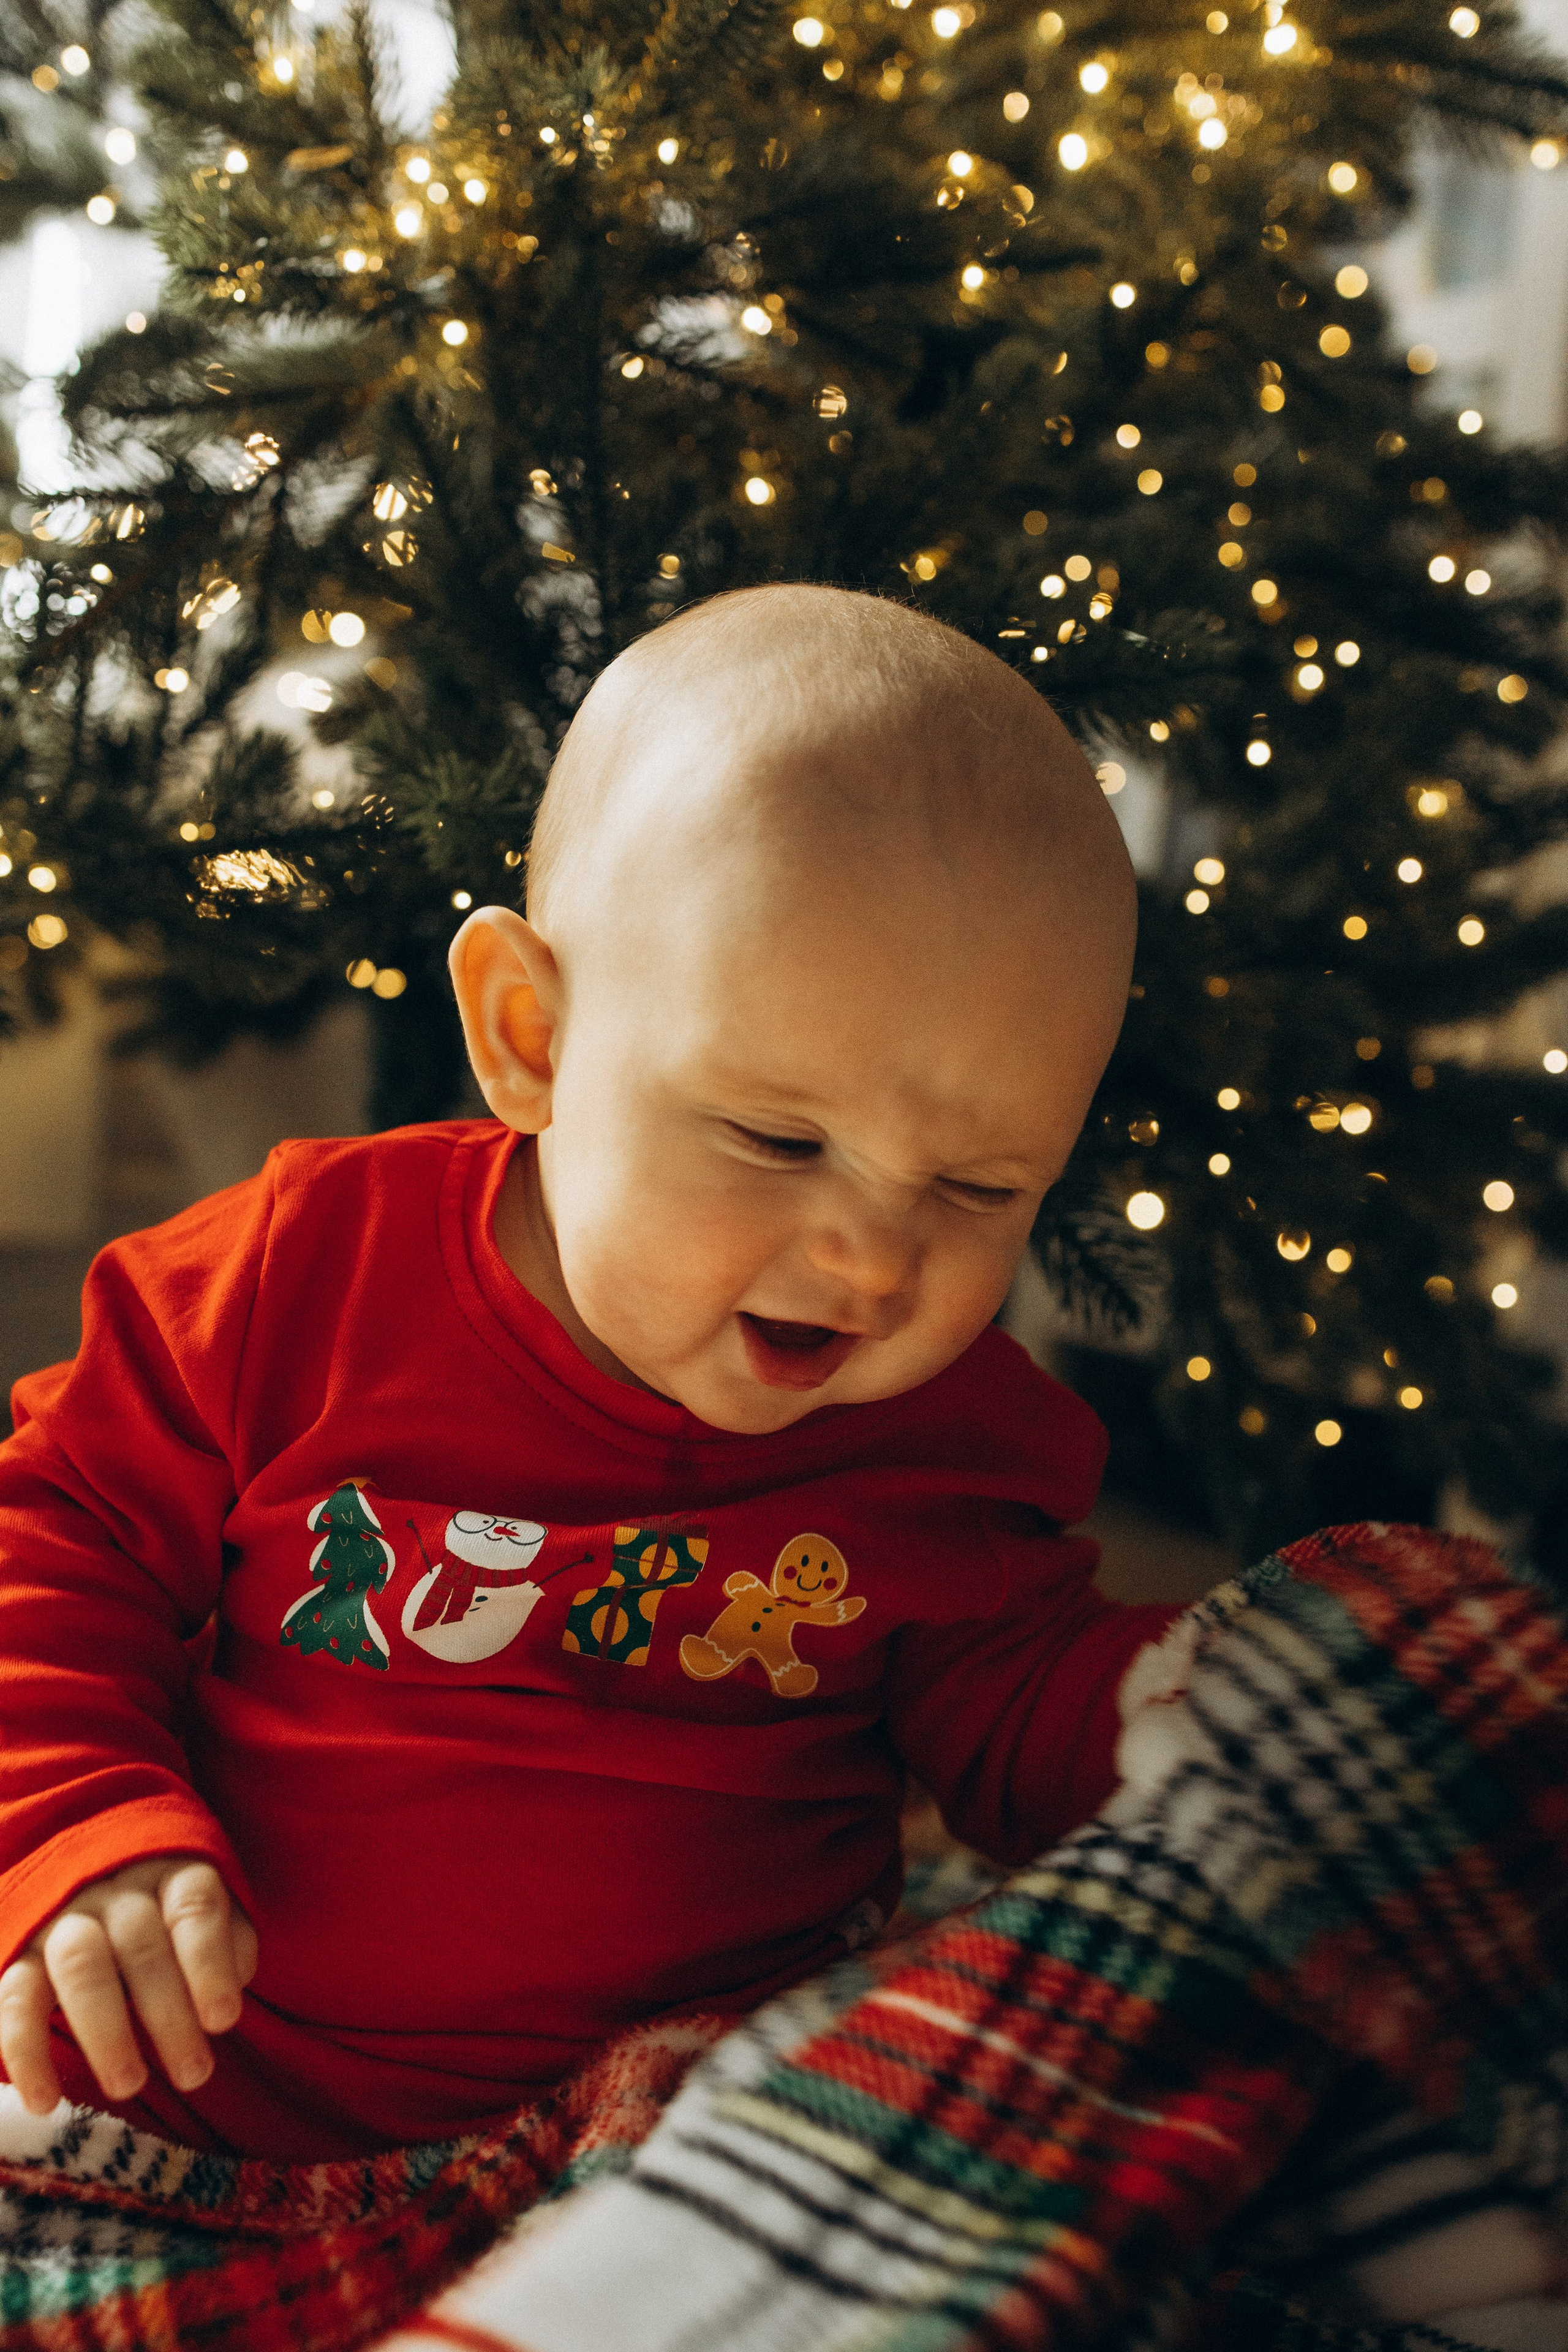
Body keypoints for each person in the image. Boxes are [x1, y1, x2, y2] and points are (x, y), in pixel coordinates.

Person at [0, 584, 1176, 2160]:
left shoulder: (948, 1434)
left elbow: (1017, 1723)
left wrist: (1197, 1704)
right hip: (222, 2101)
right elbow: (46, 1547)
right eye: (778, 1139)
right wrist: (74, 1821)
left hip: (704, 2135)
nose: (876, 1261)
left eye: (979, 1188)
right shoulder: (295, 1278)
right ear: (530, 1037)